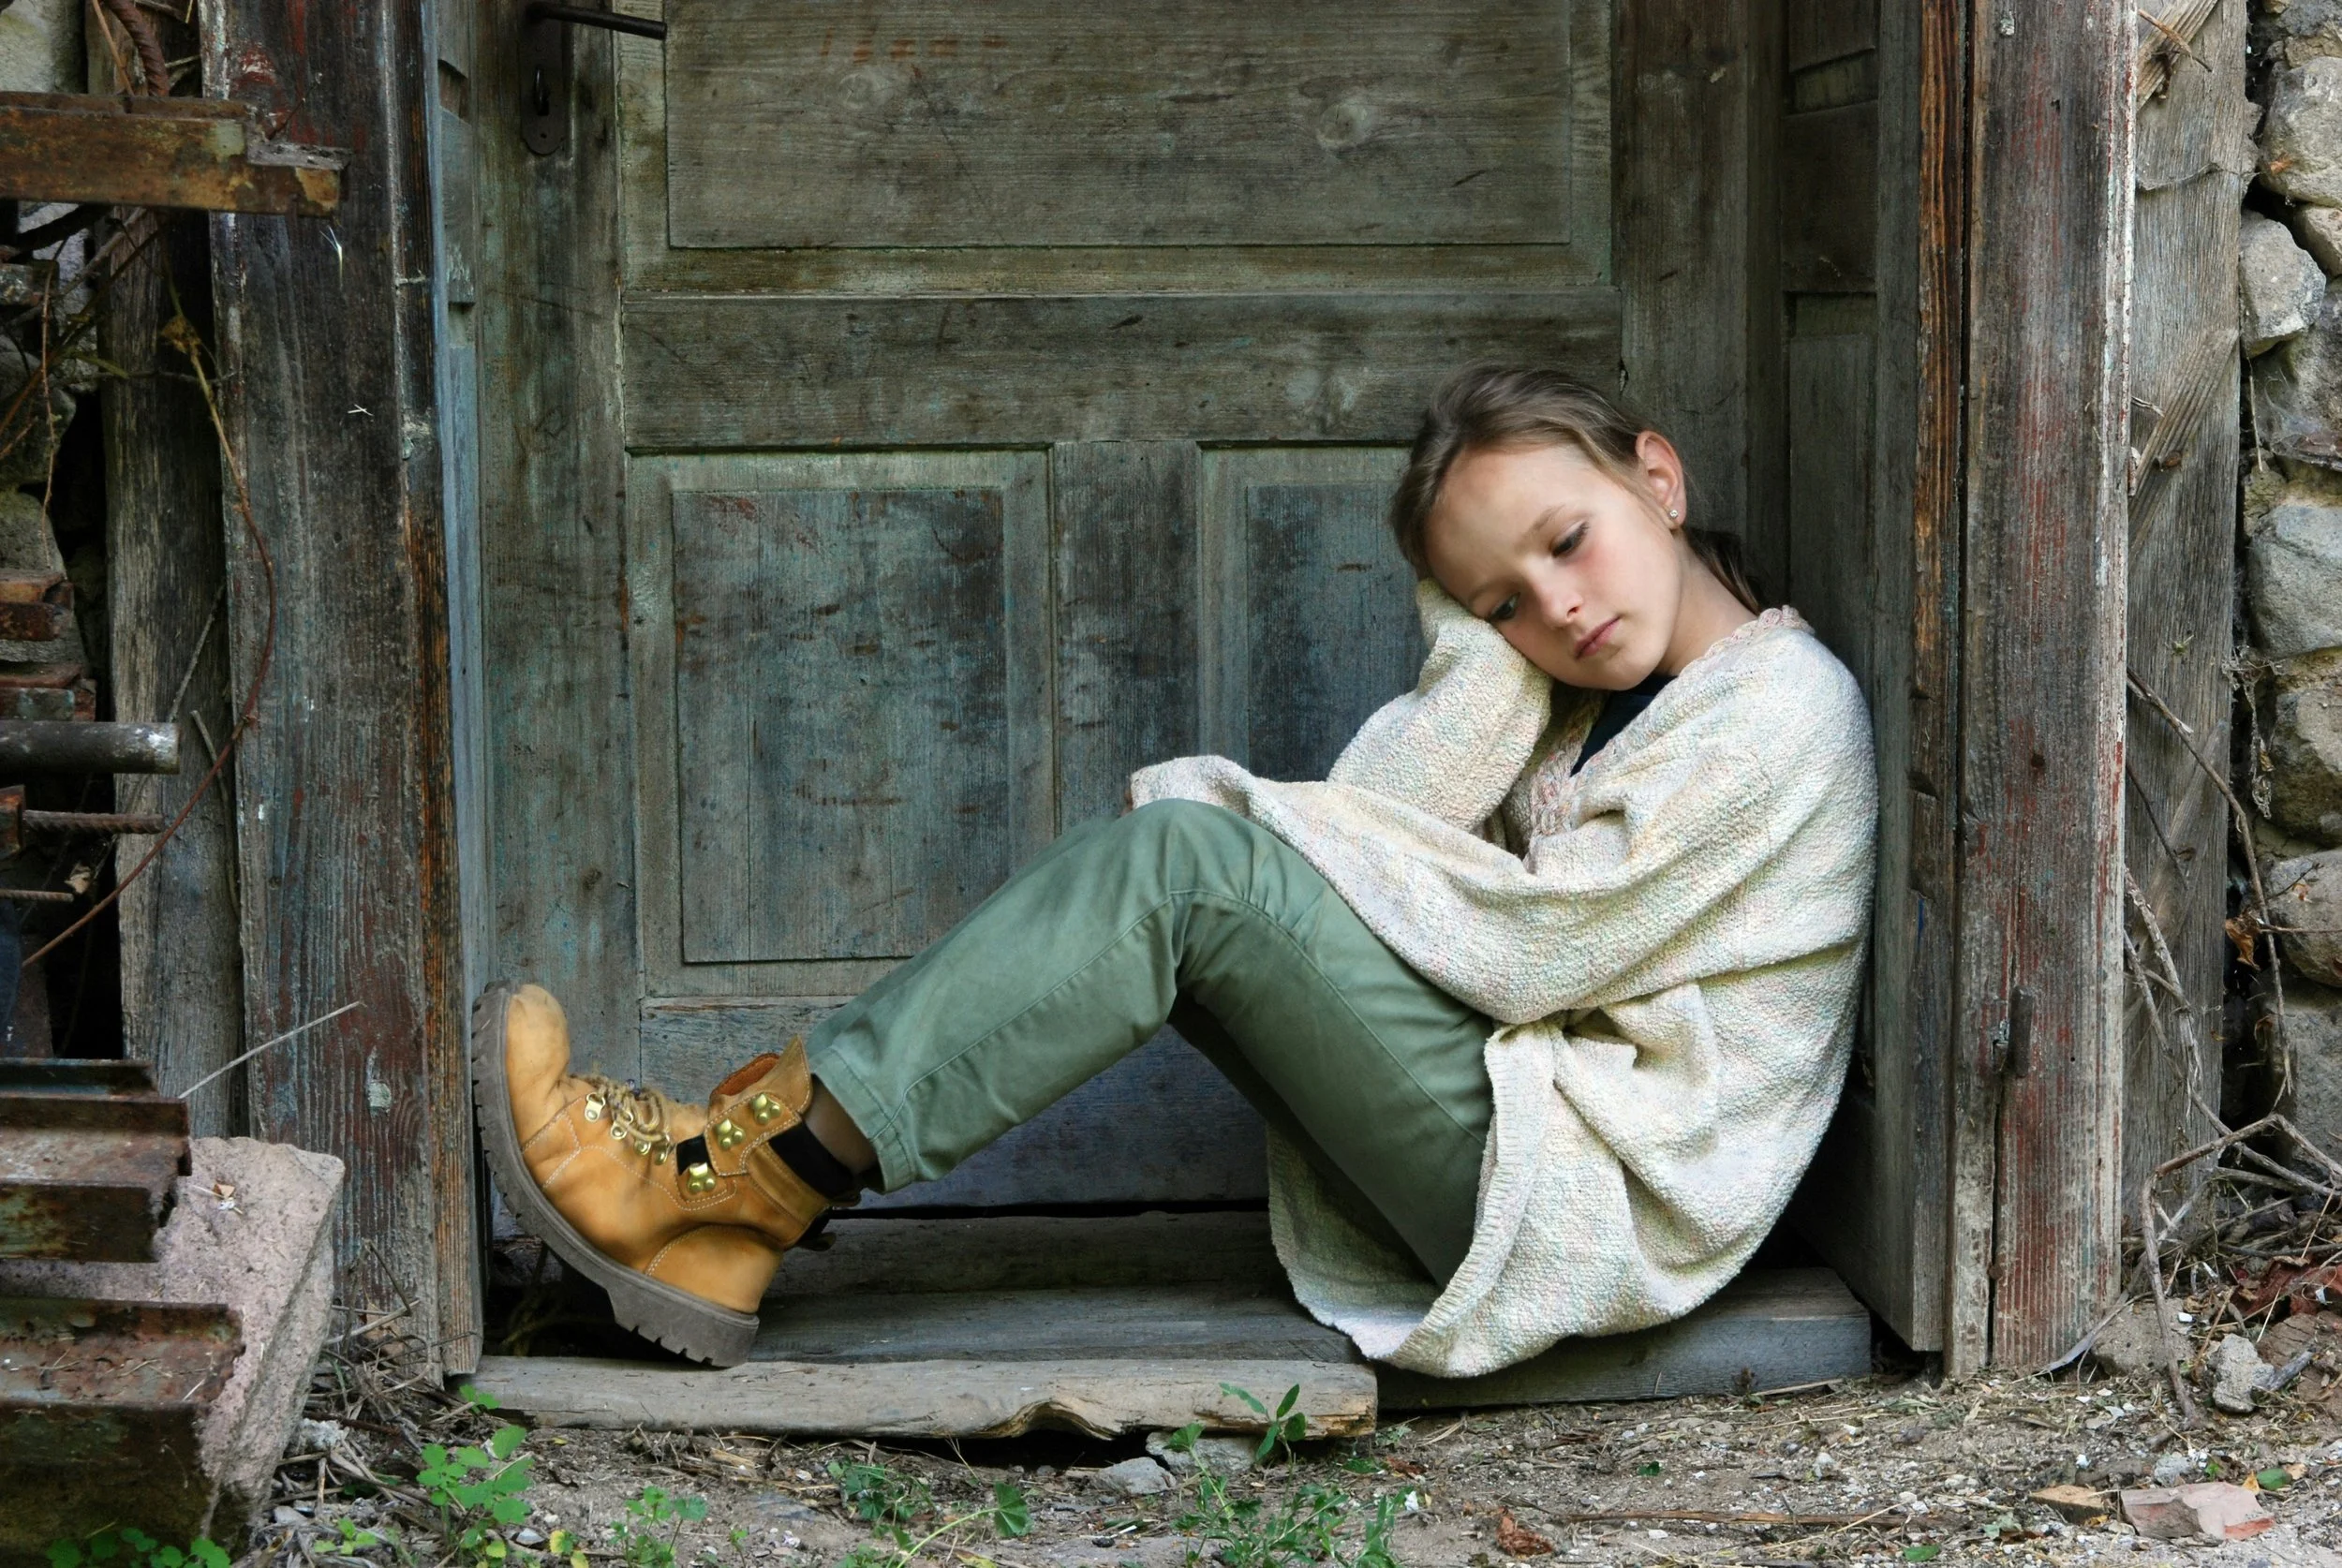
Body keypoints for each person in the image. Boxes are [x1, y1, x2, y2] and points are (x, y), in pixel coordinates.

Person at [471, 365, 1879, 1371]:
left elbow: (1530, 948)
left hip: (1590, 1194)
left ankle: (724, 1176)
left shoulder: (1780, 711)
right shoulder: (1574, 698)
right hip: (1524, 1122)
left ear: (1660, 475)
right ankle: (727, 1216)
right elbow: (1375, 831)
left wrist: (1244, 815)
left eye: (1568, 541)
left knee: (1195, 869)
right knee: (1208, 873)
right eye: (1498, 597)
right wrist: (1482, 669)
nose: (1557, 607)